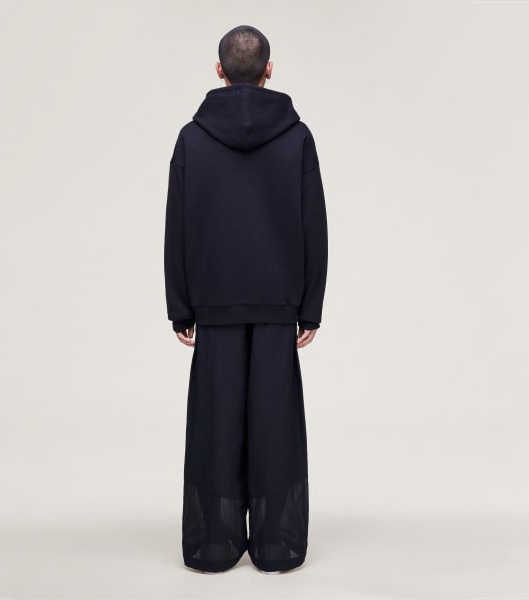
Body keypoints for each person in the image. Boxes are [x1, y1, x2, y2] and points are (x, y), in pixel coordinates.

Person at [163, 24, 328, 574]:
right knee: (275, 425)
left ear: (219, 71)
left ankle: (212, 545)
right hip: (279, 304)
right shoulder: (297, 138)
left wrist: (181, 306)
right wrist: (310, 306)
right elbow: (314, 225)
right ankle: (278, 546)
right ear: (269, 70)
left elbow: (177, 225)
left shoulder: (191, 139)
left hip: (213, 303)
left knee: (215, 425)